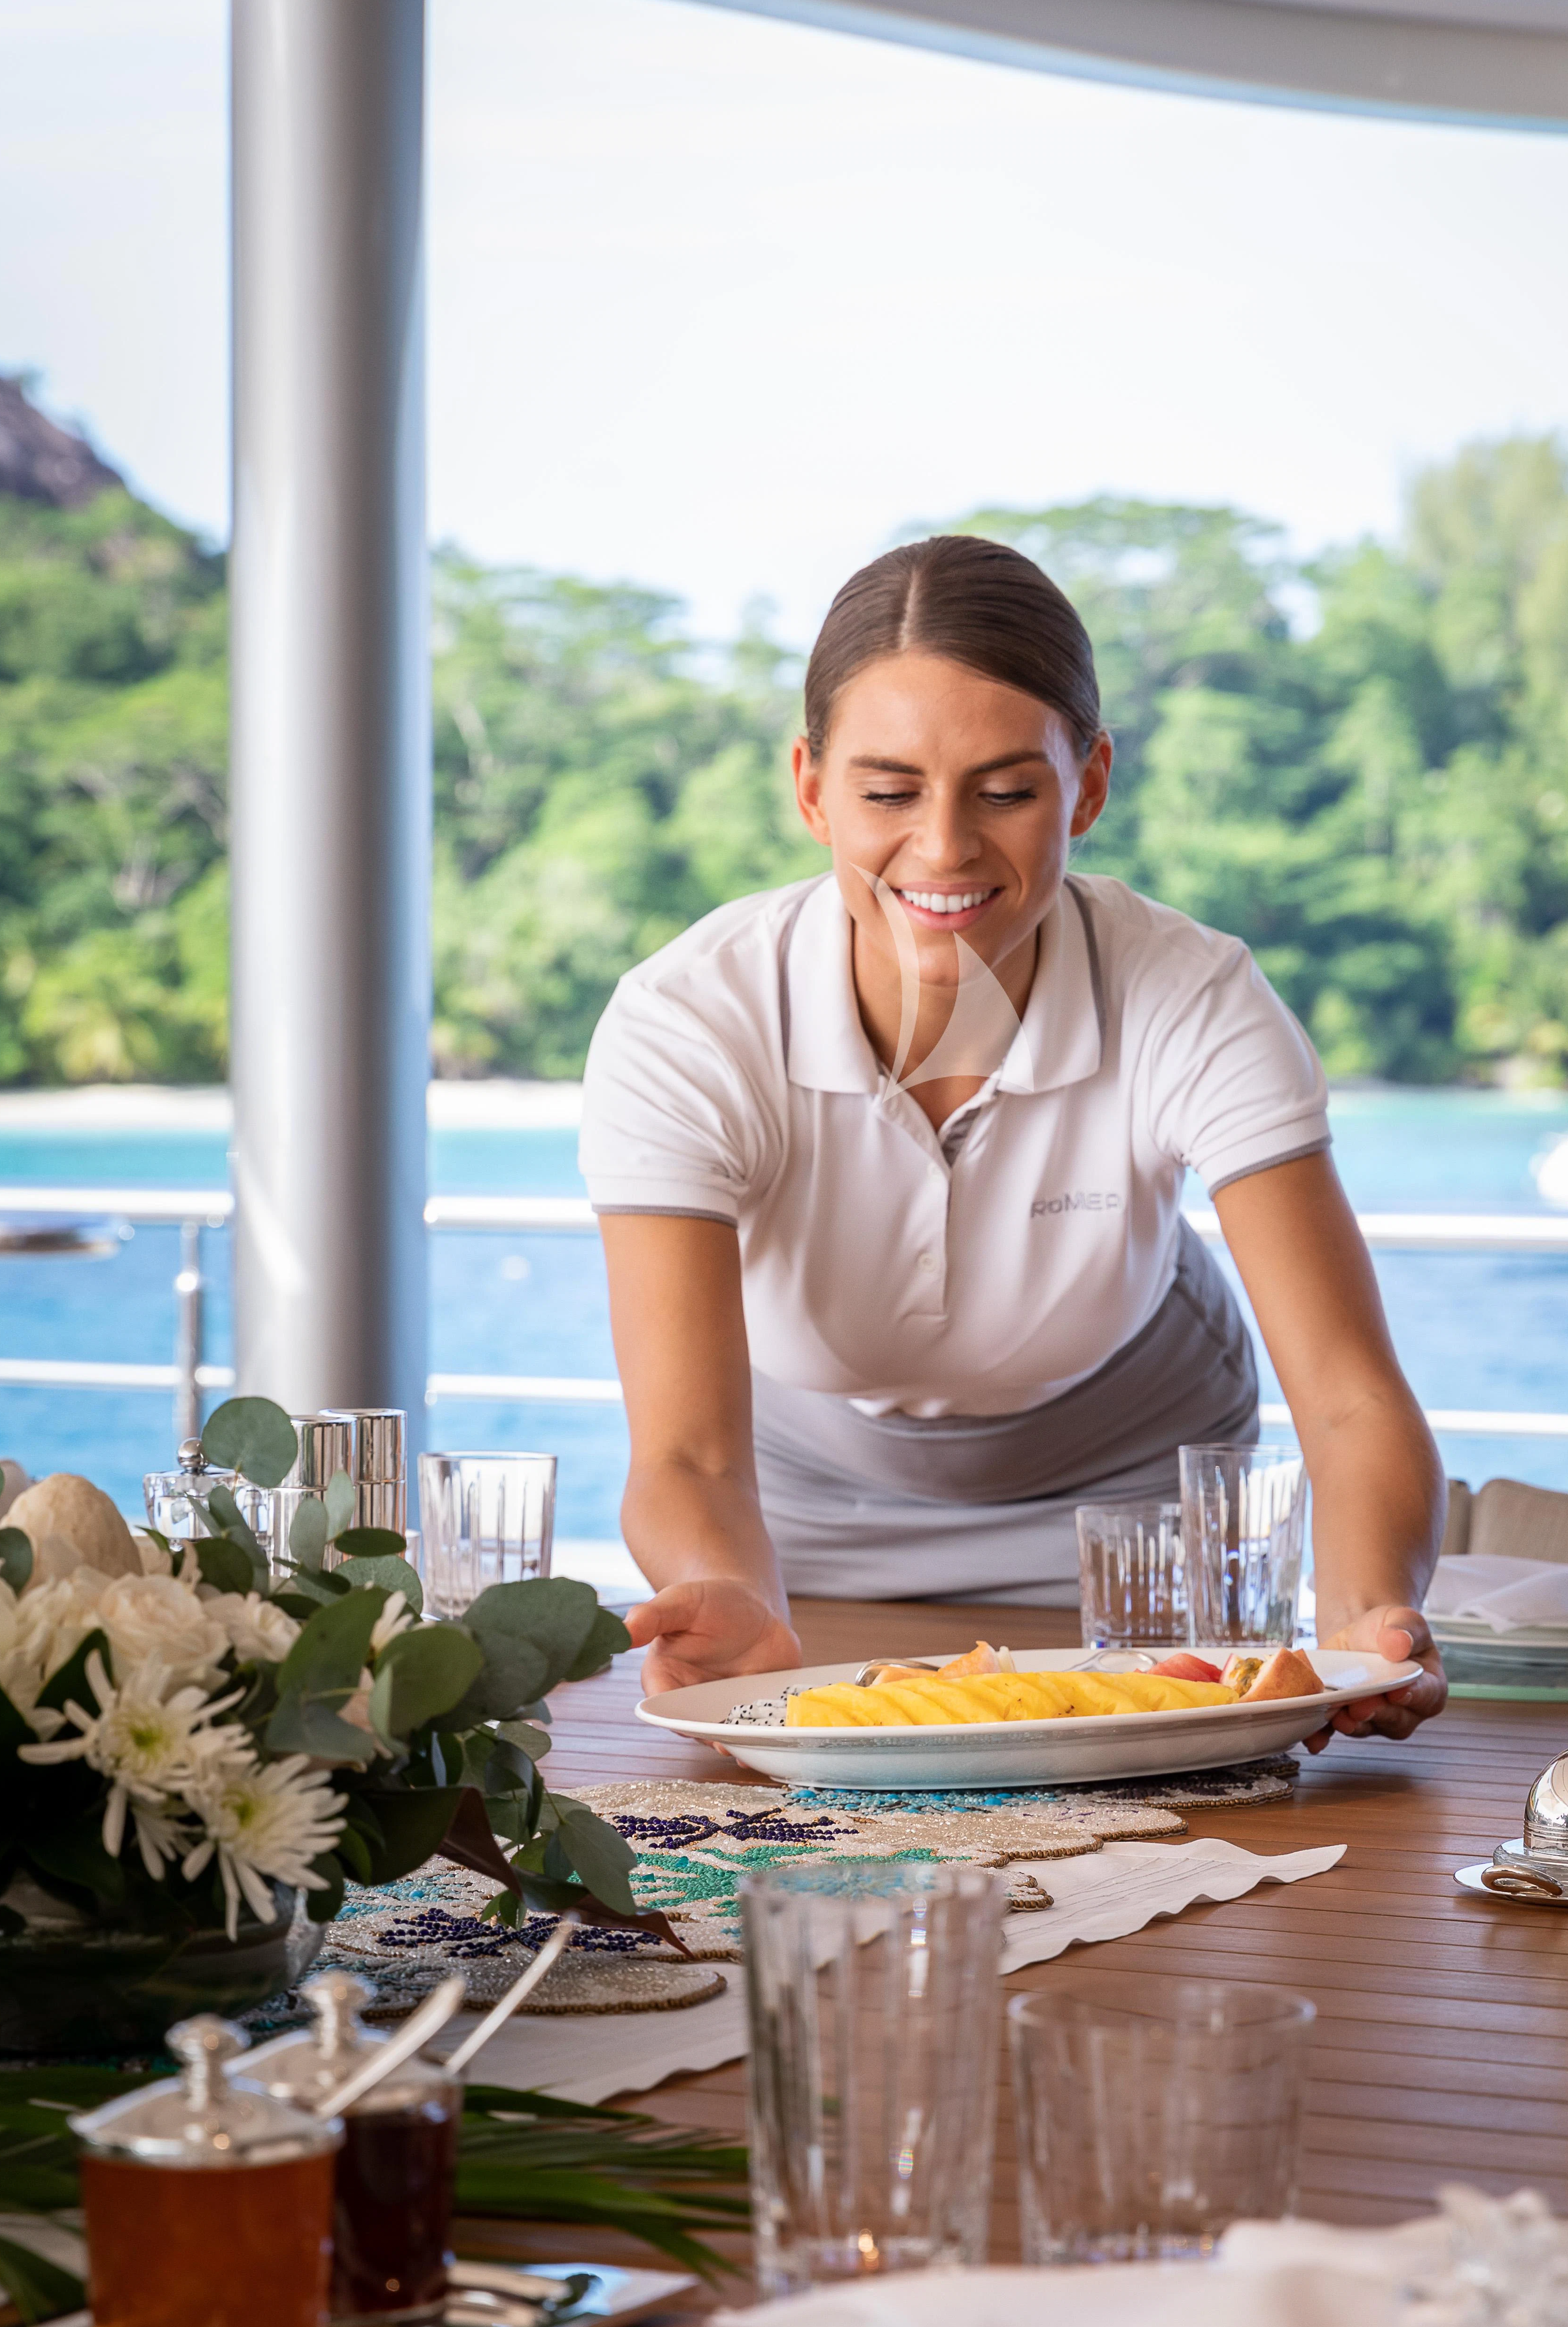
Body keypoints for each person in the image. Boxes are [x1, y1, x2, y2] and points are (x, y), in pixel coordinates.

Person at [581, 533, 1446, 1737]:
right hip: (804, 1501)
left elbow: (1350, 1400)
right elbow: (690, 1456)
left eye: (1005, 791)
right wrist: (730, 1591)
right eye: (888, 793)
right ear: (810, 788)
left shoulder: (1191, 991)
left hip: (1133, 1493)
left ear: (1086, 784)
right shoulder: (687, 1017)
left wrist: (1366, 1617)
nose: (942, 848)